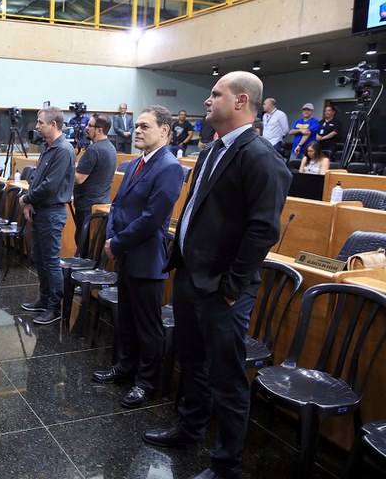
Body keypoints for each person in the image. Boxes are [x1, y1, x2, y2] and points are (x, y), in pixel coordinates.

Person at [143, 71, 292, 479]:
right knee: (192, 361)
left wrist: (232, 286)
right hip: (192, 276)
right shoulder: (213, 149)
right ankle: (189, 428)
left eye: (215, 94)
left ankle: (226, 464)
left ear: (241, 101)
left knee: (227, 378)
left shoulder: (260, 156)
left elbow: (263, 230)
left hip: (224, 288)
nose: (207, 101)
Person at [91, 105, 184, 409]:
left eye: (145, 126)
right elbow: (118, 205)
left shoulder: (169, 166)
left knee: (147, 325)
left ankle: (145, 382)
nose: (138, 131)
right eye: (138, 126)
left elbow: (152, 218)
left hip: (146, 257)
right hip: (125, 253)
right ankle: (124, 368)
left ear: (164, 130)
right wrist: (112, 237)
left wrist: (117, 243)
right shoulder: (135, 163)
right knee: (126, 319)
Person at [19, 106, 76, 325]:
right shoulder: (48, 147)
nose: (36, 126)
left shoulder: (63, 150)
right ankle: (44, 300)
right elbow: (36, 178)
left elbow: (50, 186)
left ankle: (54, 307)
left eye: (40, 123)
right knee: (40, 258)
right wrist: (29, 200)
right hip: (40, 210)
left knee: (51, 261)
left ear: (53, 124)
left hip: (52, 212)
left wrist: (26, 198)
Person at [73, 113, 117, 245]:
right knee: (93, 245)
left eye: (90, 125)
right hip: (101, 204)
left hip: (87, 206)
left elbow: (79, 178)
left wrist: (65, 167)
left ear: (99, 130)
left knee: (83, 243)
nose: (86, 128)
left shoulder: (93, 150)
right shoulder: (111, 147)